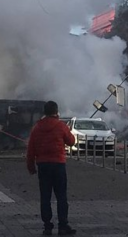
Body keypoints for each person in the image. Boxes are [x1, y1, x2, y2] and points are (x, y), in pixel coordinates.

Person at [26, 101, 77, 236]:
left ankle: (47, 226)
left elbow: (30, 149)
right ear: (56, 112)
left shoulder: (37, 128)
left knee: (45, 196)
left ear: (45, 112)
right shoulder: (61, 126)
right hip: (58, 165)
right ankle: (63, 225)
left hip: (43, 165)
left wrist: (31, 166)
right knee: (61, 196)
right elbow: (72, 141)